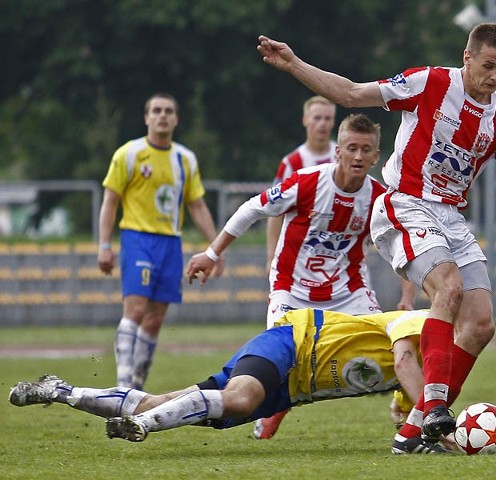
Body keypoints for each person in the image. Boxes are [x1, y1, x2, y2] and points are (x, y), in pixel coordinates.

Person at [257, 22, 496, 448]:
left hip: (451, 219)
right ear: (467, 58)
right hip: (405, 203)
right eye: (488, 65)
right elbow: (350, 94)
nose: (494, 77)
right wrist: (294, 65)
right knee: (449, 288)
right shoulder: (429, 83)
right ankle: (435, 406)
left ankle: (414, 431)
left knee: (479, 325)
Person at [186, 113, 416, 438]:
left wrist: (407, 298)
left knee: (389, 346)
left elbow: (404, 244)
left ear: (376, 156)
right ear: (338, 151)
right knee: (283, 363)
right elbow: (253, 208)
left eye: (366, 150)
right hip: (291, 290)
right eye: (351, 148)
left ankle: (404, 410)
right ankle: (276, 408)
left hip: (349, 292)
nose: (358, 156)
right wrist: (212, 253)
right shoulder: (307, 181)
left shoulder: (379, 199)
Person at [9, 308, 449, 454]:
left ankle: (61, 390)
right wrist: (436, 412)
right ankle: (144, 428)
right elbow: (405, 358)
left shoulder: (422, 370)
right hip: (295, 342)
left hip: (288, 390)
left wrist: (426, 431)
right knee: (240, 398)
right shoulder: (422, 321)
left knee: (160, 400)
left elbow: (400, 410)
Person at [97, 92, 224, 391]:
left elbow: (197, 205)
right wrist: (104, 245)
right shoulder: (128, 154)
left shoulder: (185, 159)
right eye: (156, 110)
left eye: (168, 110)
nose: (162, 115)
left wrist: (215, 247)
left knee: (154, 321)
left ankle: (137, 386)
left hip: (171, 244)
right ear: (146, 117)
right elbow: (110, 200)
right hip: (137, 239)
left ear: (176, 119)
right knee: (136, 310)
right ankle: (123, 384)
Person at [266, 95, 338, 274]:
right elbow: (275, 211)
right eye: (317, 118)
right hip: (300, 251)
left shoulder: (343, 157)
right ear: (305, 120)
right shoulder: (291, 163)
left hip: (337, 248)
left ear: (333, 122)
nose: (322, 124)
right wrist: (271, 256)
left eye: (327, 118)